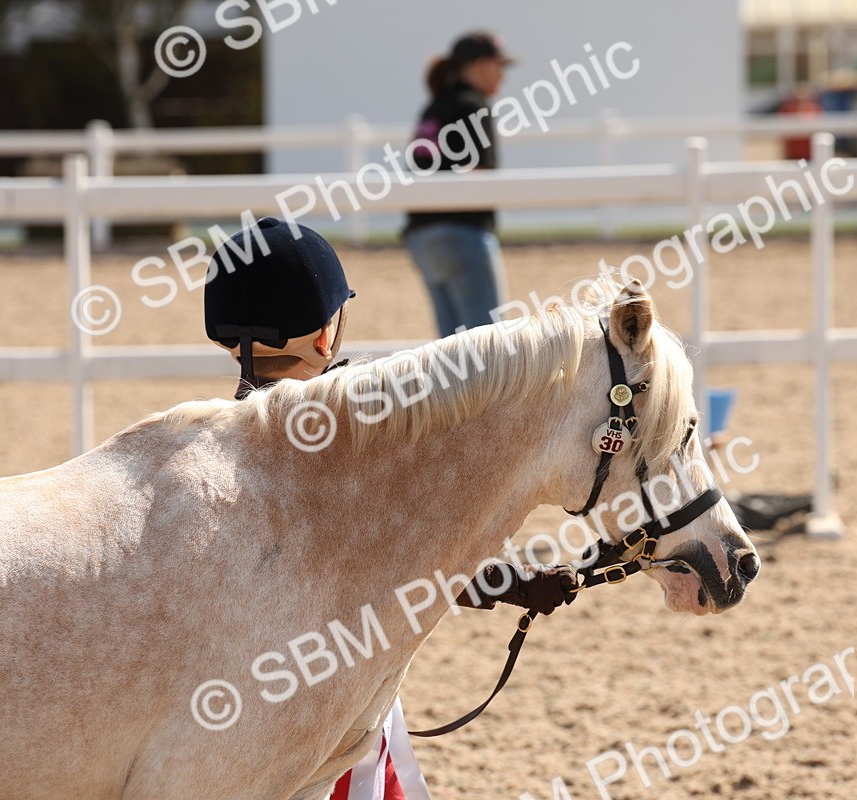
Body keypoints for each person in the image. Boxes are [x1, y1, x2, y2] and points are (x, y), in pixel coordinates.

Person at [204, 216, 579, 800]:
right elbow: (410, 568)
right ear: (325, 337)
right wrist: (513, 584)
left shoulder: (212, 444)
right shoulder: (345, 444)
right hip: (326, 705)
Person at [403, 31, 513, 337]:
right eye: (498, 65)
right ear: (479, 65)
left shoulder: (434, 107)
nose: (502, 74)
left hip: (422, 237)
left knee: (451, 348)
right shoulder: (472, 105)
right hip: (462, 233)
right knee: (487, 345)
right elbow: (481, 173)